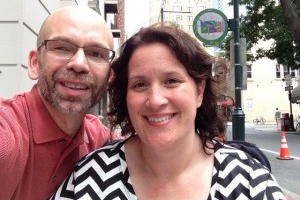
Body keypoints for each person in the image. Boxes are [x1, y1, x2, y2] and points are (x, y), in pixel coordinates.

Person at [50, 23, 286, 200]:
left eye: (172, 81)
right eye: (140, 84)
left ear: (199, 91)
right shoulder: (89, 178)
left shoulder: (249, 181)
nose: (155, 100)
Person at [0, 5, 119, 200]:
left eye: (96, 53)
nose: (79, 64)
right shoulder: (8, 133)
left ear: (108, 77)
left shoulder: (102, 142)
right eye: (62, 47)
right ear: (35, 63)